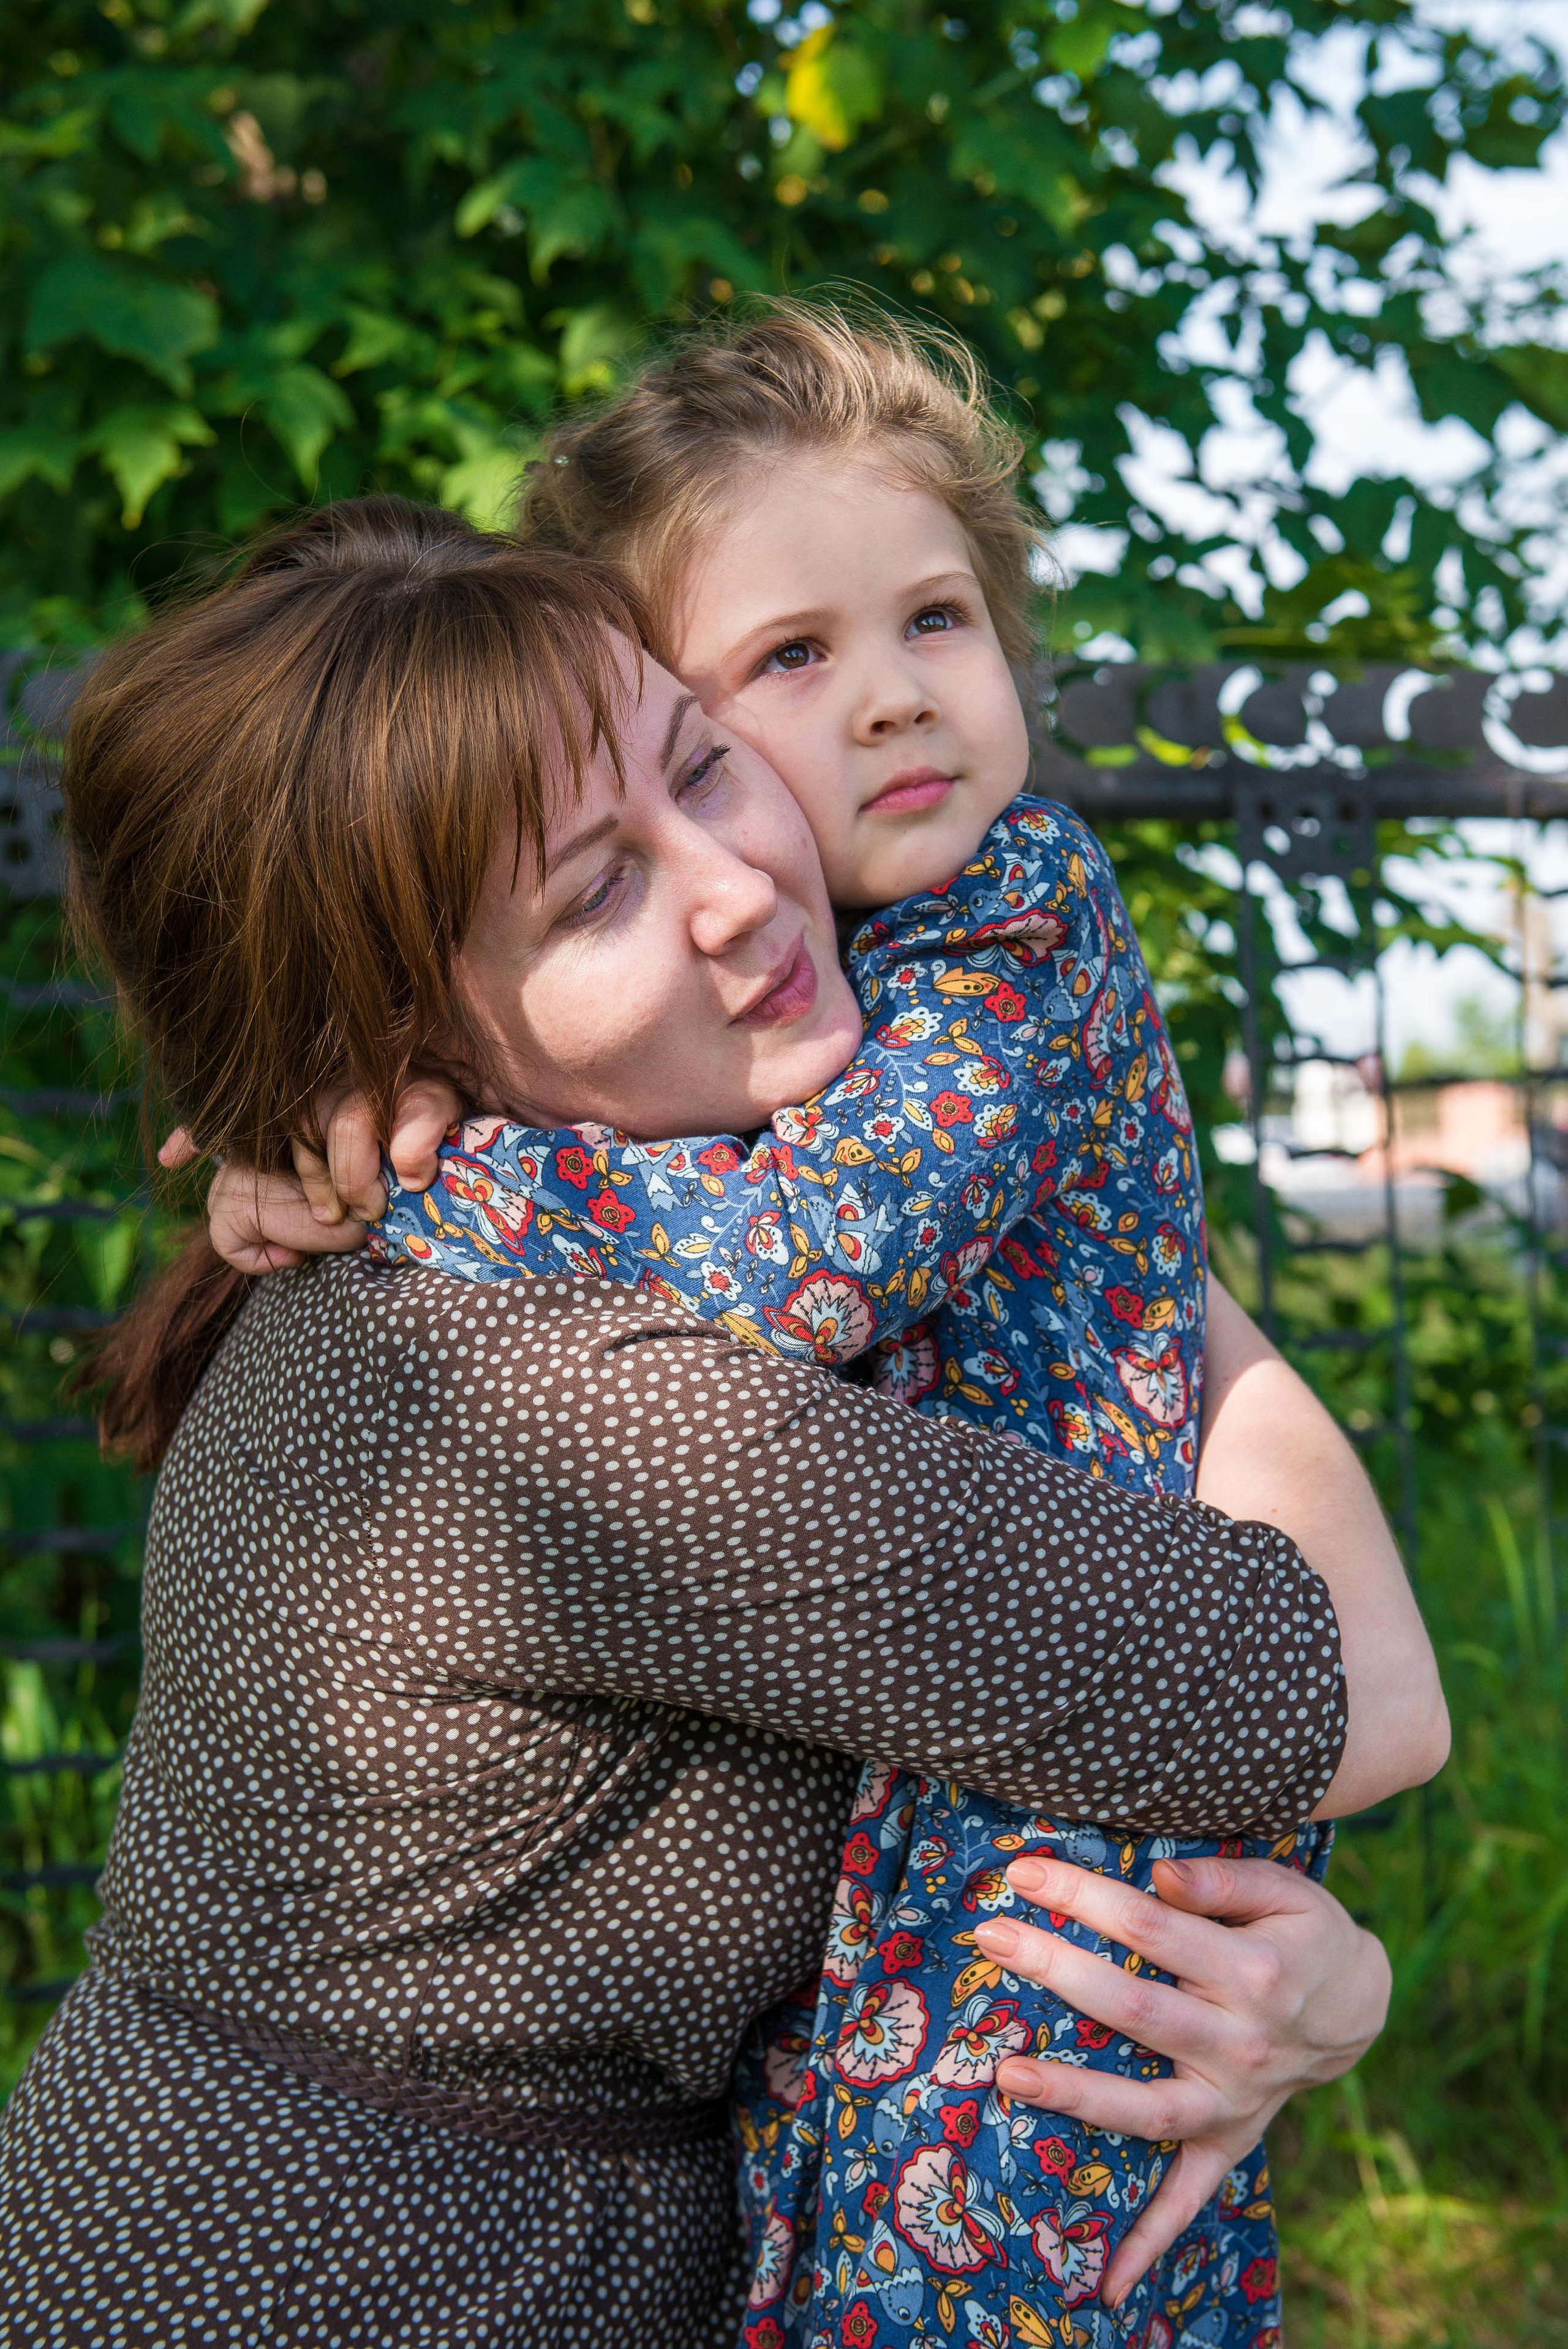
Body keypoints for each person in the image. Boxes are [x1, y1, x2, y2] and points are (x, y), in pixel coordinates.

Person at [0, 500, 1424, 2348]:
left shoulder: (619, 1251)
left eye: (700, 766)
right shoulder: (575, 1405)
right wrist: (1098, 1186)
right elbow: (1357, 1692)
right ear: (406, 1053)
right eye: (593, 893)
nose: (738, 886)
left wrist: (1325, 1984)